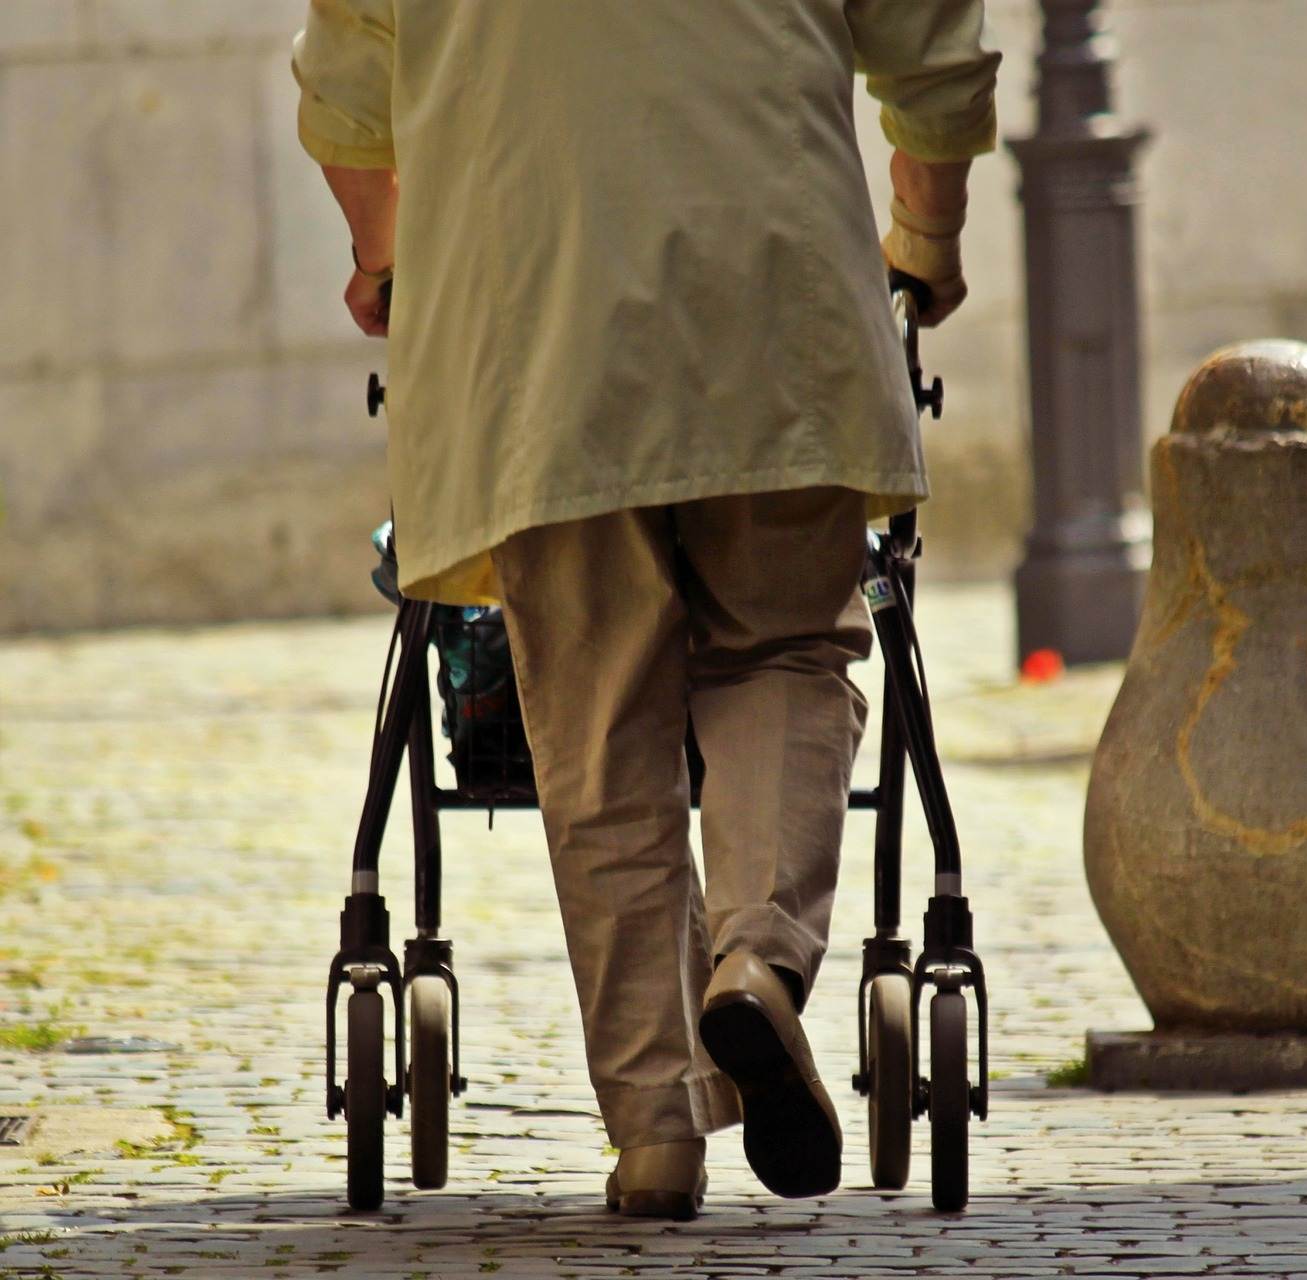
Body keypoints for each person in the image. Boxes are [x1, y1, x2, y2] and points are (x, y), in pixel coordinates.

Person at [292, 1, 998, 1220]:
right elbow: (934, 44)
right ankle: (758, 954)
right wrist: (925, 236)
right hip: (776, 285)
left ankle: (659, 1129)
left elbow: (348, 98)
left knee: (599, 710)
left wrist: (390, 258)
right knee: (784, 646)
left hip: (535, 316)